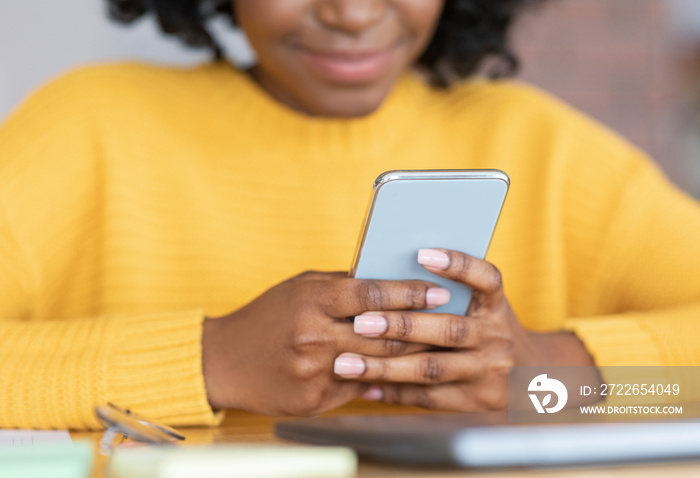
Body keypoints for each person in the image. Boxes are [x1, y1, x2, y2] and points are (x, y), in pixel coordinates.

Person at [1, 0, 699, 430]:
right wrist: (214, 358)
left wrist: (548, 376)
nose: (353, 13)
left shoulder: (544, 149)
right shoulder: (88, 127)